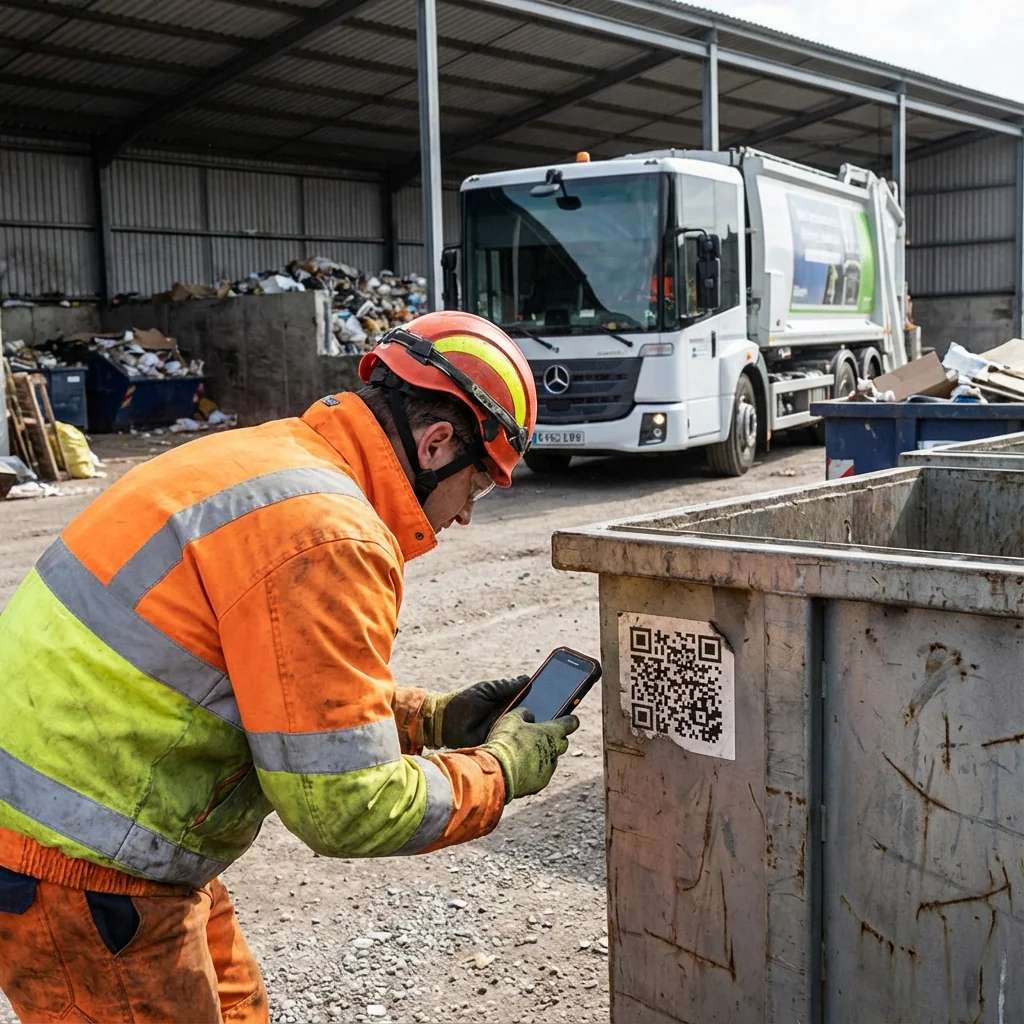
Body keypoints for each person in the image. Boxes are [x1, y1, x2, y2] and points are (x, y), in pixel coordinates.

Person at [0, 311, 579, 1022]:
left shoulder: (269, 462)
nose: (464, 517)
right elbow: (346, 806)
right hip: (79, 871)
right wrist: (502, 770)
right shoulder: (330, 535)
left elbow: (264, 674)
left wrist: (431, 719)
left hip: (98, 837)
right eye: (481, 487)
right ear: (436, 446)